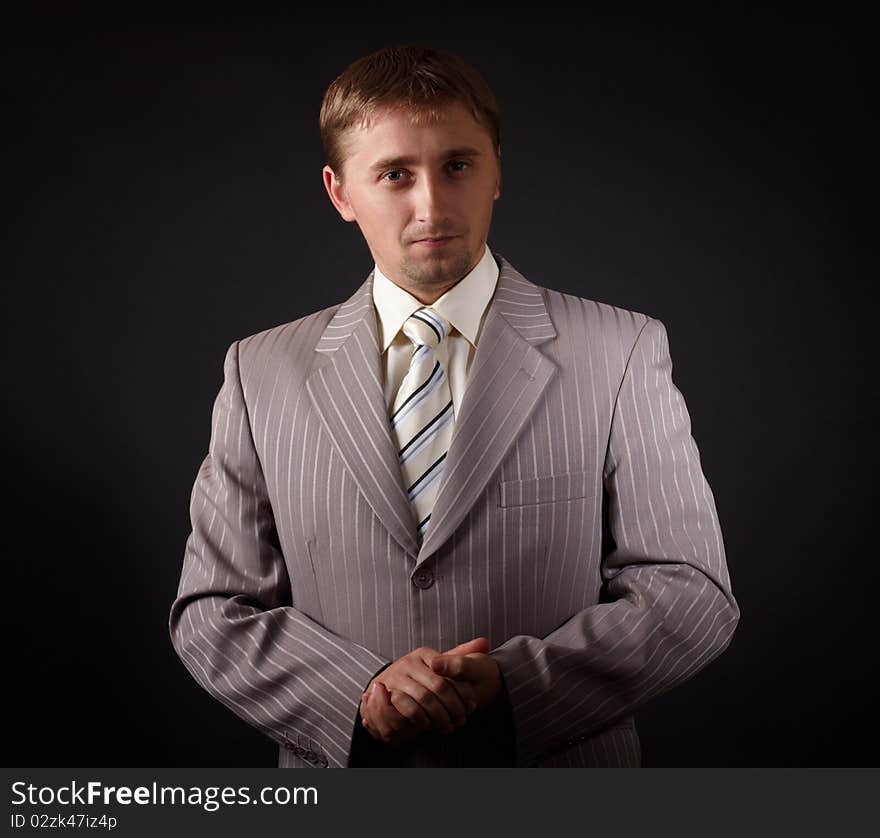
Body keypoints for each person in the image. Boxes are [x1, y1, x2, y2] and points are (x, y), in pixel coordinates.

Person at [168, 43, 740, 768]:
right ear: (340, 192)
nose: (431, 205)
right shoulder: (260, 370)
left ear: (497, 170)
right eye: (395, 174)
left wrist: (513, 686)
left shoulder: (621, 350)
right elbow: (212, 611)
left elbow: (690, 593)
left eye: (458, 165)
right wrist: (358, 693)